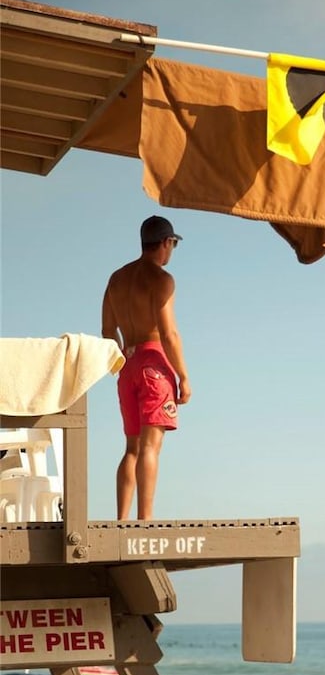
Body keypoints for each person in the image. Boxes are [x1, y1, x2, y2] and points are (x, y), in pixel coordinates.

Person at [101, 215, 191, 521]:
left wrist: (123, 360)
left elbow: (107, 331)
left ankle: (122, 520)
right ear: (166, 243)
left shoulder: (116, 279)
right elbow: (169, 334)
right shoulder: (162, 280)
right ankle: (145, 521)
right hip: (154, 362)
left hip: (127, 364)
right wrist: (184, 377)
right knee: (152, 446)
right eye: (173, 244)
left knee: (132, 448)